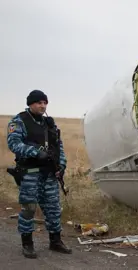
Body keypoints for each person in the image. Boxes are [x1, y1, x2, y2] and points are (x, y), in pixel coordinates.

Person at [6, 89, 72, 258]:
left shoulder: (49, 123)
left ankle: (55, 241)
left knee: (53, 209)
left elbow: (59, 146)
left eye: (45, 103)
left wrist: (61, 164)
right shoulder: (19, 121)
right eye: (39, 103)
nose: (43, 106)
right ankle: (27, 244)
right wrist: (35, 152)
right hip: (30, 173)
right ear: (31, 104)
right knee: (29, 208)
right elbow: (14, 144)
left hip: (49, 174)